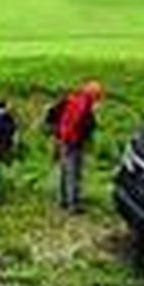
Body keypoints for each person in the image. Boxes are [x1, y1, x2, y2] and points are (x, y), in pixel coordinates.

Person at [47, 81, 104, 213]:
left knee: (64, 171)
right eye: (98, 97)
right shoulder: (82, 105)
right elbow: (77, 125)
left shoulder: (75, 100)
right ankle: (73, 204)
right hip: (72, 143)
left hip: (63, 139)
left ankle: (63, 200)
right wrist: (75, 141)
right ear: (93, 95)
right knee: (73, 172)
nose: (98, 101)